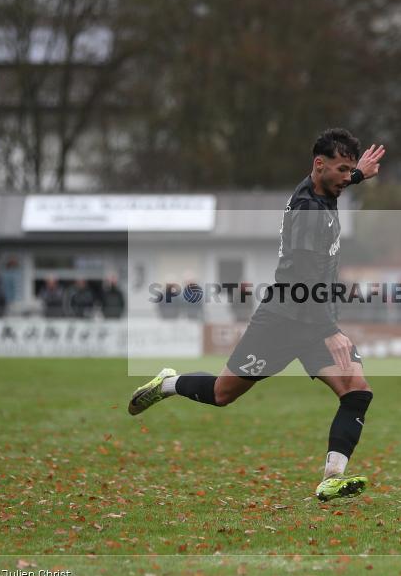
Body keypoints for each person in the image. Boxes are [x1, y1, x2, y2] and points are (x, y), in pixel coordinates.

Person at [128, 128, 385, 502]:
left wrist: (358, 174)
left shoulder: (324, 187)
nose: (347, 178)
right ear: (319, 164)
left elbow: (337, 183)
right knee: (222, 394)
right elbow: (303, 281)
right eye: (342, 170)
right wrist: (331, 330)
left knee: (357, 392)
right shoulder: (308, 212)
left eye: (350, 170)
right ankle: (168, 383)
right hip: (283, 319)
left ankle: (332, 477)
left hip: (313, 320)